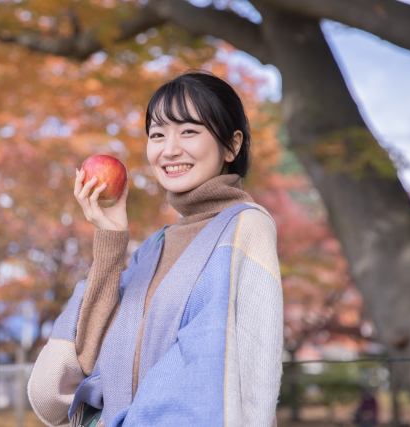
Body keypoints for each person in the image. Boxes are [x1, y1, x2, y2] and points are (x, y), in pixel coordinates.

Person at [28, 71, 283, 426]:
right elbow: (81, 362)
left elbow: (207, 374)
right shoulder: (154, 247)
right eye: (157, 134)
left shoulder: (245, 226)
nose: (169, 149)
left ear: (232, 145)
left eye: (189, 131)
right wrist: (110, 238)